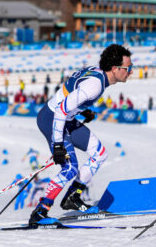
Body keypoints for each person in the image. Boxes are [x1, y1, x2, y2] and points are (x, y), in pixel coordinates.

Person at [29, 44, 133, 225]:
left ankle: (72, 198)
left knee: (99, 154)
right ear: (115, 69)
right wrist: (59, 145)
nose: (130, 72)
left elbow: (70, 93)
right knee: (70, 168)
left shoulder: (99, 74)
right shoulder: (95, 84)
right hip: (53, 119)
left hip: (65, 117)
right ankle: (40, 212)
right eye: (128, 68)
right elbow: (61, 109)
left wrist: (80, 112)